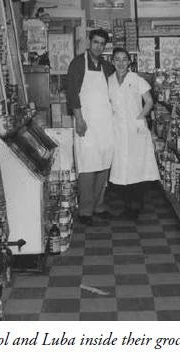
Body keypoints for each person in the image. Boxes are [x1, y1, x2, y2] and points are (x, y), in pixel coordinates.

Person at [67, 29, 115, 225]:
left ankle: (99, 205)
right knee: (87, 165)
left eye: (102, 44)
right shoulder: (78, 63)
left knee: (103, 164)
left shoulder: (106, 66)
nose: (99, 46)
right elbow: (72, 94)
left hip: (105, 124)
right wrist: (79, 119)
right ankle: (85, 210)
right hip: (85, 123)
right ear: (89, 42)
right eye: (96, 42)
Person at [108, 47, 160, 219]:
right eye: (117, 59)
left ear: (129, 62)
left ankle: (135, 206)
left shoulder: (135, 78)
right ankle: (127, 205)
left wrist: (139, 118)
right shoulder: (109, 81)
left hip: (136, 129)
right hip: (118, 130)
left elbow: (149, 101)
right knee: (122, 167)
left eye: (124, 59)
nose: (121, 63)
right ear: (112, 61)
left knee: (137, 167)